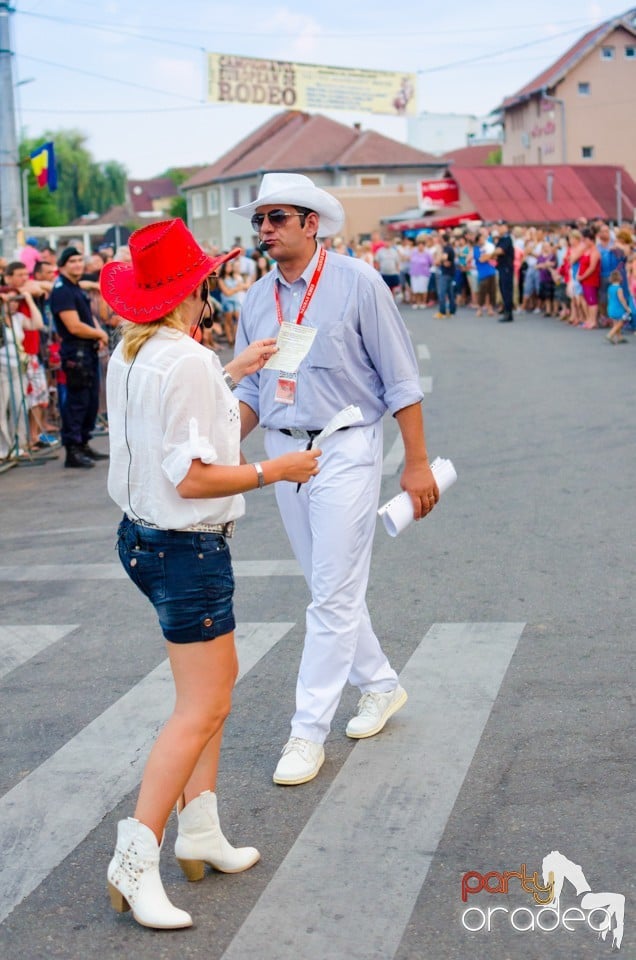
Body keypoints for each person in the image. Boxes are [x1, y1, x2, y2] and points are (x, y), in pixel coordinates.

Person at [100, 218, 320, 931]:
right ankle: (135, 861)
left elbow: (172, 429)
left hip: (142, 539)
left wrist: (232, 370)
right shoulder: (186, 359)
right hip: (185, 546)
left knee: (211, 700)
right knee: (202, 707)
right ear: (194, 287)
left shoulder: (133, 352)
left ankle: (201, 832)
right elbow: (194, 477)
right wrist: (275, 469)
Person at [229, 172, 439, 787]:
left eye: (277, 218)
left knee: (331, 593)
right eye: (259, 221)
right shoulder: (256, 298)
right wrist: (215, 449)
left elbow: (401, 378)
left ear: (310, 223)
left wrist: (417, 462)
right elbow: (250, 387)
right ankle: (380, 685)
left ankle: (307, 731)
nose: (264, 230)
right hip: (283, 451)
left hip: (346, 445)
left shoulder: (357, 282)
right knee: (331, 586)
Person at [49, 247, 110, 468]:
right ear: (62, 265)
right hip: (76, 352)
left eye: (79, 260)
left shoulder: (74, 286)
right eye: (71, 261)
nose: (77, 264)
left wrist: (96, 333)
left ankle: (83, 443)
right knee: (77, 402)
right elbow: (73, 326)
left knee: (90, 401)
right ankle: (72, 450)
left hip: (87, 350)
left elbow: (87, 317)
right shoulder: (62, 290)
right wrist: (100, 333)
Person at [493, 220, 515, 322]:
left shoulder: (507, 238)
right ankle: (506, 310)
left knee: (506, 290)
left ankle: (508, 313)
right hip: (501, 267)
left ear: (505, 227)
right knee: (502, 289)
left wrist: (490, 255)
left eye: (500, 226)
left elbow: (500, 250)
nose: (498, 228)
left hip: (506, 267)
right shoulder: (501, 239)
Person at [605, 269, 631, 344]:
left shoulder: (610, 288)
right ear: (620, 278)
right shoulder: (619, 289)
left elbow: (609, 298)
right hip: (618, 308)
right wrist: (627, 308)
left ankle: (619, 337)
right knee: (621, 322)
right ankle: (610, 334)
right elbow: (622, 299)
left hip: (611, 308)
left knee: (615, 323)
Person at [434, 232, 456, 318]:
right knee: (450, 293)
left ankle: (442, 312)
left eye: (440, 238)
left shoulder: (446, 248)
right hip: (450, 273)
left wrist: (438, 261)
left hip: (446, 273)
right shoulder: (449, 247)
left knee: (442, 293)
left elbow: (444, 258)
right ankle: (451, 311)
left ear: (443, 239)